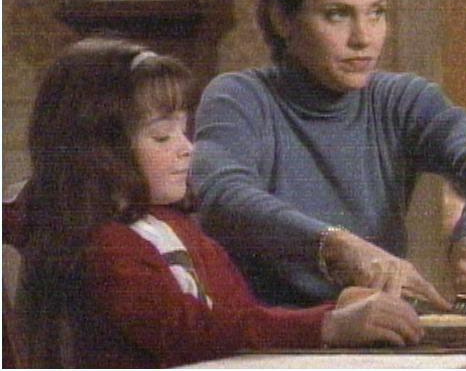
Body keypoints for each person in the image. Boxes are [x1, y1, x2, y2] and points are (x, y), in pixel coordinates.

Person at [20, 38, 423, 368]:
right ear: (99, 150)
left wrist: (338, 307)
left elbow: (238, 317)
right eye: (162, 137)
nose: (187, 148)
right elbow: (191, 331)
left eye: (184, 130)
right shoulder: (103, 246)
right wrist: (327, 324)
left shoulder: (175, 227)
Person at [191, 0, 466, 308]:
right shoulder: (240, 97)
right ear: (282, 19)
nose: (363, 38)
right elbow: (222, 197)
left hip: (376, 328)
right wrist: (335, 245)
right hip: (273, 332)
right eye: (338, 14)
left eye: (376, 13)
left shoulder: (400, 100)